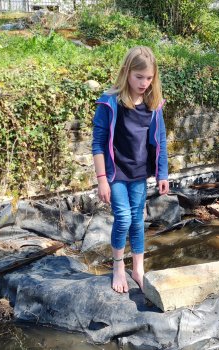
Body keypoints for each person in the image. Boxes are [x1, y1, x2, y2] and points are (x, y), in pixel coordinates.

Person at [92, 46, 170, 293]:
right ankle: (117, 265)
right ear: (126, 72)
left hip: (138, 174)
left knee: (138, 220)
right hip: (116, 173)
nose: (144, 83)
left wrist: (162, 174)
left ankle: (138, 267)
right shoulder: (109, 103)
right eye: (139, 77)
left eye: (149, 78)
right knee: (124, 218)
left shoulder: (153, 105)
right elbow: (98, 144)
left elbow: (161, 140)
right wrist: (102, 179)